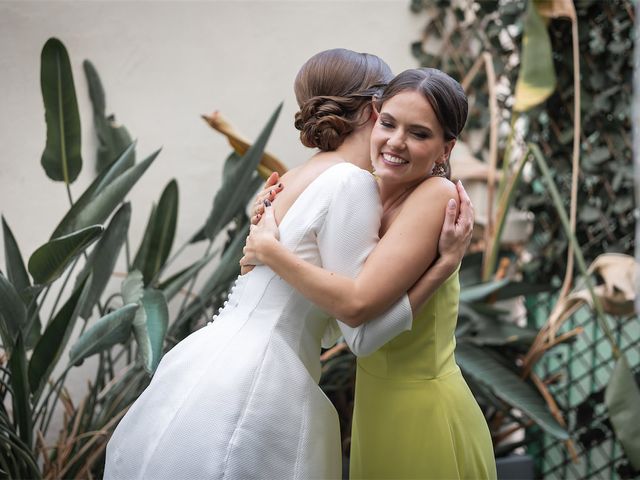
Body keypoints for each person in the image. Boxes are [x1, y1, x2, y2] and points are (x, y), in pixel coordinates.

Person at [104, 49, 472, 480]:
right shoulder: (352, 185)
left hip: (213, 354)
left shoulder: (296, 177)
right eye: (388, 115)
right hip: (264, 373)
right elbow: (359, 324)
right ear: (373, 110)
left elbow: (333, 308)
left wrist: (269, 251)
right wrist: (444, 265)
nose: (393, 132)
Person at [242, 67, 497, 479]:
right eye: (389, 124)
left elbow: (357, 314)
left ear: (445, 149)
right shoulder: (366, 188)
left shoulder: (436, 195)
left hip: (424, 409)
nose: (396, 142)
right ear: (375, 117)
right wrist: (273, 210)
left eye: (419, 134)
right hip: (376, 406)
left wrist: (272, 251)